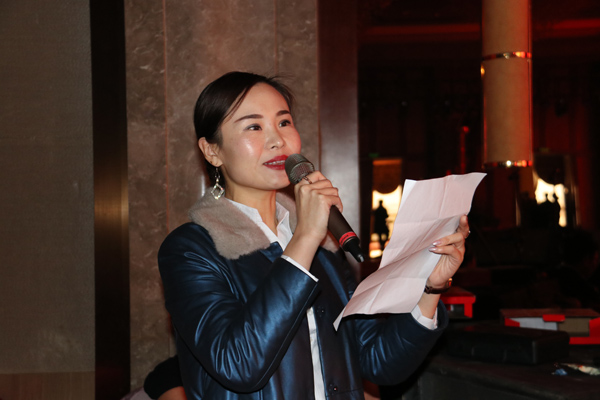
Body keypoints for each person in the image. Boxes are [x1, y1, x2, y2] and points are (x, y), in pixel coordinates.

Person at [158, 71, 470, 399]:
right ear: (212, 151)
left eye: (284, 122)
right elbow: (239, 365)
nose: (277, 140)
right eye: (254, 126)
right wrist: (305, 236)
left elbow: (377, 363)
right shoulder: (191, 250)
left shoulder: (323, 246)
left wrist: (430, 286)